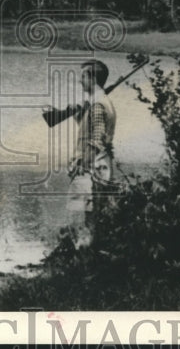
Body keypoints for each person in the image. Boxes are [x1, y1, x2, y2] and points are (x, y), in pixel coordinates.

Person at [66, 59, 117, 240]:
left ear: (92, 78)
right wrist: (80, 116)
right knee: (93, 215)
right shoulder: (102, 102)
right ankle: (89, 256)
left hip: (90, 166)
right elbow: (93, 132)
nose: (80, 81)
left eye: (83, 76)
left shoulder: (97, 104)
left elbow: (97, 140)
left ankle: (82, 258)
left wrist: (82, 165)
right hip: (101, 164)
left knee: (81, 218)